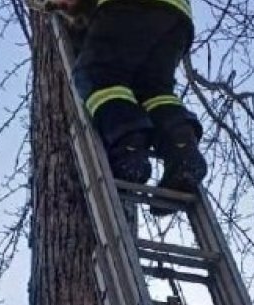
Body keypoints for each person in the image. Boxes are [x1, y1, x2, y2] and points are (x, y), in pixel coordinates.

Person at [42, 0, 207, 208]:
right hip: (177, 17)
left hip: (129, 7)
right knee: (153, 92)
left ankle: (129, 147)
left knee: (97, 76)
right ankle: (183, 151)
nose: (58, 6)